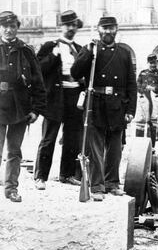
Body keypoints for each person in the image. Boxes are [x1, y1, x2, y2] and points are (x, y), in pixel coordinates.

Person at [71, 16, 137, 201]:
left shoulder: (123, 53)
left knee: (115, 147)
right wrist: (87, 53)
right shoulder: (91, 49)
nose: (108, 32)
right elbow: (75, 73)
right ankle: (97, 186)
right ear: (99, 29)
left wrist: (130, 109)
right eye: (105, 28)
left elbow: (132, 84)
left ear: (117, 29)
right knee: (96, 148)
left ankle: (112, 183)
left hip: (117, 105)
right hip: (96, 104)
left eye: (111, 28)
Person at [34, 10, 84, 190]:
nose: (71, 28)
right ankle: (41, 176)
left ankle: (67, 174)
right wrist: (54, 54)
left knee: (72, 138)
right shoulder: (50, 46)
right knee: (49, 138)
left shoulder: (79, 49)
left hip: (74, 97)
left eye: (74, 25)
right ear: (61, 26)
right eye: (67, 25)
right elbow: (39, 70)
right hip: (55, 98)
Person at [0, 11, 46, 202]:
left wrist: (36, 109)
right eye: (5, 26)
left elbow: (38, 82)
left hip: (20, 107)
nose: (9, 30)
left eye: (13, 26)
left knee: (14, 151)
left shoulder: (26, 51)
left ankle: (11, 188)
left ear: (17, 28)